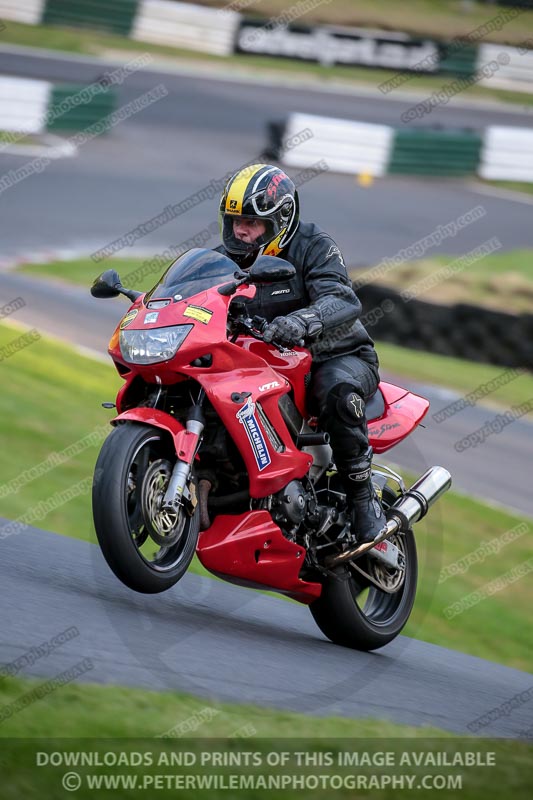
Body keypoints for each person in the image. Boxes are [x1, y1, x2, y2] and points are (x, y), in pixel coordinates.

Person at [215, 163, 386, 544]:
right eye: (234, 220)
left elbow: (342, 298)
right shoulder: (223, 260)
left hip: (337, 355)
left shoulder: (314, 245)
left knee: (337, 392)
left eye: (252, 222)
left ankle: (362, 500)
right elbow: (193, 298)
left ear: (281, 220)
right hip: (267, 363)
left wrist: (304, 321)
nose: (240, 230)